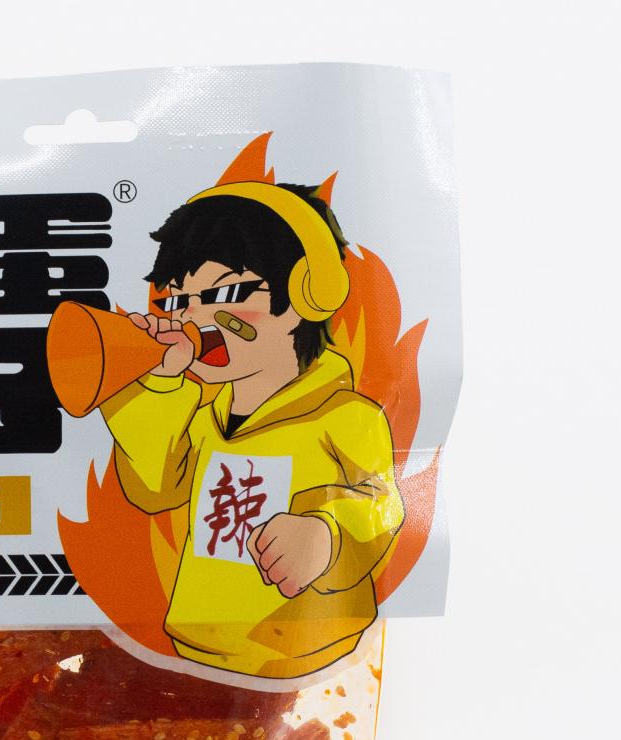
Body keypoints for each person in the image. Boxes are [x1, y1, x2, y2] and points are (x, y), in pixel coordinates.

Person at [98, 180, 405, 679]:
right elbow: (154, 489)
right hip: (198, 646)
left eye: (224, 293)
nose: (194, 318)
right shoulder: (206, 414)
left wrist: (324, 534)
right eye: (178, 301)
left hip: (312, 656)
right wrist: (161, 383)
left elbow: (382, 504)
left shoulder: (347, 415)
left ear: (308, 292)